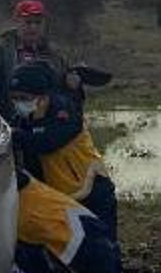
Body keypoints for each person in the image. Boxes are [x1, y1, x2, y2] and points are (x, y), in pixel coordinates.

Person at [12, 171, 133, 273]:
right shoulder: (36, 190)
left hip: (79, 252)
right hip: (93, 244)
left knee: (12, 268)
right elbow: (112, 261)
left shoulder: (13, 202)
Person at [8, 63, 119, 243]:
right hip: (62, 194)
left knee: (102, 243)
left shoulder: (63, 111)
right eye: (14, 98)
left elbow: (47, 142)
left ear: (42, 96)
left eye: (23, 97)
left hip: (90, 189)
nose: (18, 103)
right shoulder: (26, 117)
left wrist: (15, 135)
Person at [0, 0, 82, 107]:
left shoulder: (54, 53)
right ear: (17, 22)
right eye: (28, 22)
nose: (33, 27)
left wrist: (72, 83)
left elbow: (64, 84)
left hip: (48, 114)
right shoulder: (2, 50)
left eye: (38, 23)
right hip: (10, 113)